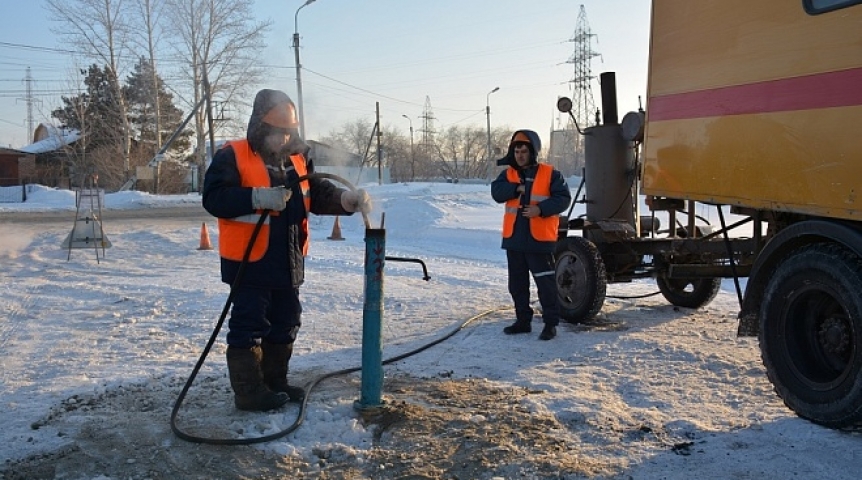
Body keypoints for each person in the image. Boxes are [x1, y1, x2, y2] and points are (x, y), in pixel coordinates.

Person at [202, 89, 372, 411]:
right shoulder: (233, 155)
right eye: (276, 133)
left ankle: (275, 381)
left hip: (288, 259)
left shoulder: (297, 159)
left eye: (287, 132)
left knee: (286, 320)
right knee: (249, 325)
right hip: (249, 263)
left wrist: (344, 201)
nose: (282, 139)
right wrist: (255, 198)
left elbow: (316, 193)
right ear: (260, 128)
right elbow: (213, 198)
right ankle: (249, 391)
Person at [491, 129, 571, 340]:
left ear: (533, 152)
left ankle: (550, 324)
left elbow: (563, 198)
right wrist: (515, 189)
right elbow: (496, 192)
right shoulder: (508, 175)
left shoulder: (550, 173)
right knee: (517, 285)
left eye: (524, 151)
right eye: (516, 151)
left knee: (546, 285)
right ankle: (523, 321)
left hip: (539, 241)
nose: (519, 155)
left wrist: (540, 209)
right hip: (514, 239)